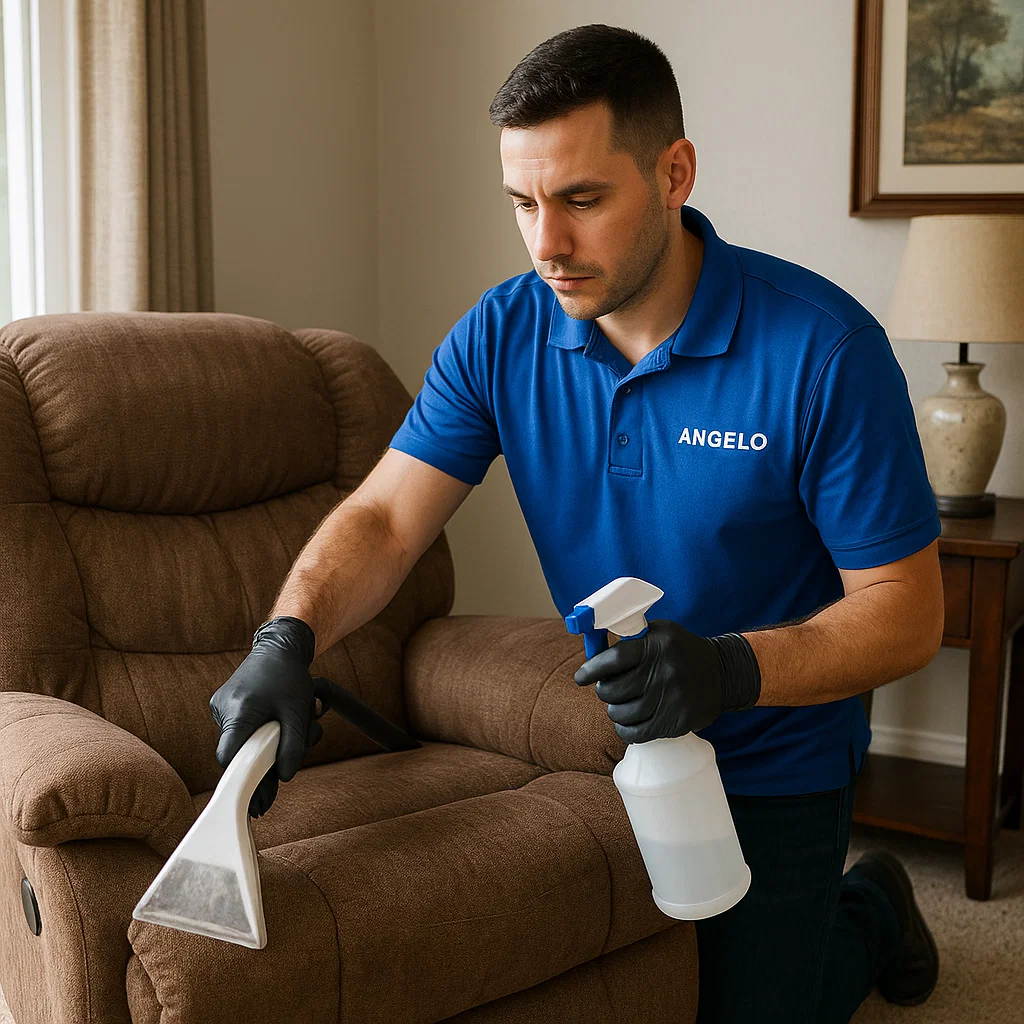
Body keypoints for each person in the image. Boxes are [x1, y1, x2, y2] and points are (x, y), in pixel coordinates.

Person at [210, 23, 944, 1023]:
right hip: (612, 746)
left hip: (779, 750)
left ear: (674, 172)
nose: (546, 243)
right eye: (522, 203)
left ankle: (872, 903)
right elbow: (385, 517)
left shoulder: (821, 349)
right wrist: (285, 633)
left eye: (583, 200)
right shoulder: (501, 333)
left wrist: (728, 670)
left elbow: (906, 611)